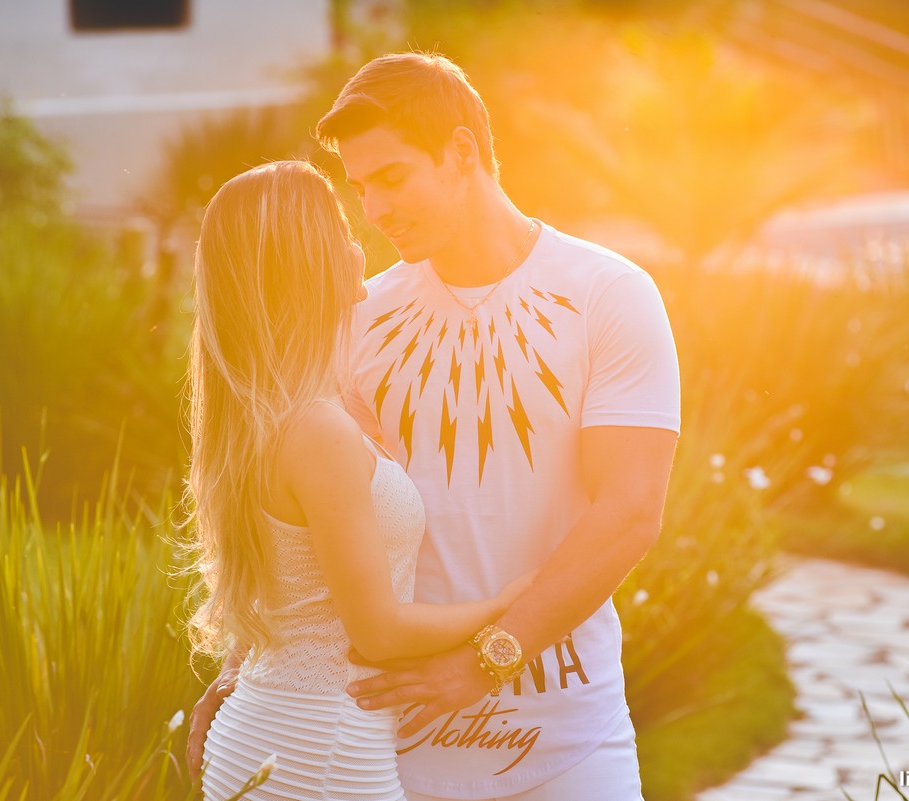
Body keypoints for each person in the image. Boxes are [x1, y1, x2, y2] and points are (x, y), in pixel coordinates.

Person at [188, 52, 681, 801]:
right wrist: (246, 667)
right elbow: (289, 511)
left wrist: (488, 660)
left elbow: (631, 511)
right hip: (397, 744)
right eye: (358, 188)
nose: (375, 209)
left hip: (569, 737)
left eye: (391, 177)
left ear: (462, 152)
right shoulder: (355, 317)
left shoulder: (610, 295)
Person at [183, 160, 533, 801]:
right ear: (309, 262)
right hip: (316, 754)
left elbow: (288, 585)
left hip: (287, 734)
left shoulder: (286, 409)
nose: (356, 241)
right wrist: (510, 602)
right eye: (340, 227)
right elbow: (378, 633)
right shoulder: (316, 429)